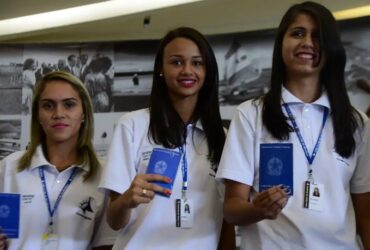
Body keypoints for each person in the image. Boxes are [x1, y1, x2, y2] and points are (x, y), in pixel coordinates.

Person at [216, 2, 370, 250]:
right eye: (297, 33)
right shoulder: (251, 114)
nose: (307, 42)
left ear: (331, 48)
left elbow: (366, 215)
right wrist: (258, 209)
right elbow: (232, 209)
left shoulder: (356, 123)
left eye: (317, 36)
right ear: (282, 44)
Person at [99, 27, 235, 249]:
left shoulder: (222, 137)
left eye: (197, 63)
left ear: (207, 71)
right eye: (177, 62)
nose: (187, 71)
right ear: (161, 69)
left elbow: (226, 220)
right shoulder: (133, 125)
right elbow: (114, 220)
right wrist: (127, 200)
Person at [0, 71, 116, 249]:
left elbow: (105, 244)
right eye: (48, 106)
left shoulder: (105, 173)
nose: (58, 113)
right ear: (38, 115)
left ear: (84, 112)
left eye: (69, 105)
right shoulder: (9, 167)